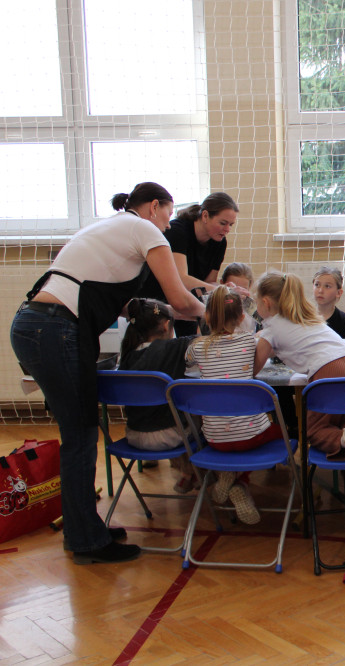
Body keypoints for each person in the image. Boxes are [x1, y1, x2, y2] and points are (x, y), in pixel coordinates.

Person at [10, 181, 205, 564]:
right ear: (153, 207)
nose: (168, 225)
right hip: (54, 329)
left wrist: (170, 307)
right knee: (80, 436)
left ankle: (84, 529)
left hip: (37, 325)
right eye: (168, 214)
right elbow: (180, 298)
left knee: (79, 435)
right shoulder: (144, 228)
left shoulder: (108, 229)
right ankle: (86, 541)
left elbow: (132, 304)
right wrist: (212, 312)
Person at [252, 272, 345, 473]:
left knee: (313, 431)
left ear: (266, 303)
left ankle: (344, 439)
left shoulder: (271, 330)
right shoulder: (309, 317)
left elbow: (253, 368)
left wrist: (257, 343)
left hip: (330, 370)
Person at [186, 286, 281, 525]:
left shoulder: (196, 347)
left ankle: (232, 476)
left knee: (233, 432)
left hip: (215, 439)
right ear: (241, 317)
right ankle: (240, 481)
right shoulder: (249, 341)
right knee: (281, 431)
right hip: (251, 436)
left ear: (207, 316)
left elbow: (188, 364)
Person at [117, 298, 199, 493]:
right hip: (167, 437)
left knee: (171, 412)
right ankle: (197, 472)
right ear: (166, 325)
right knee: (200, 409)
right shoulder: (175, 347)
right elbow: (208, 340)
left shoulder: (127, 357)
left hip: (133, 436)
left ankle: (188, 474)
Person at [139, 192, 239, 335]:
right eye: (223, 223)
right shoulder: (177, 231)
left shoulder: (219, 242)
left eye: (231, 225)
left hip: (185, 302)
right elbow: (181, 279)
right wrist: (221, 291)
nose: (227, 229)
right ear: (205, 216)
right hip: (155, 301)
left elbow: (208, 283)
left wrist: (226, 290)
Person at [313, 266, 345, 339]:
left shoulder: (344, 322)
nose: (320, 290)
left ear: (339, 293)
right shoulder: (303, 317)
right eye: (317, 285)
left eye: (327, 286)